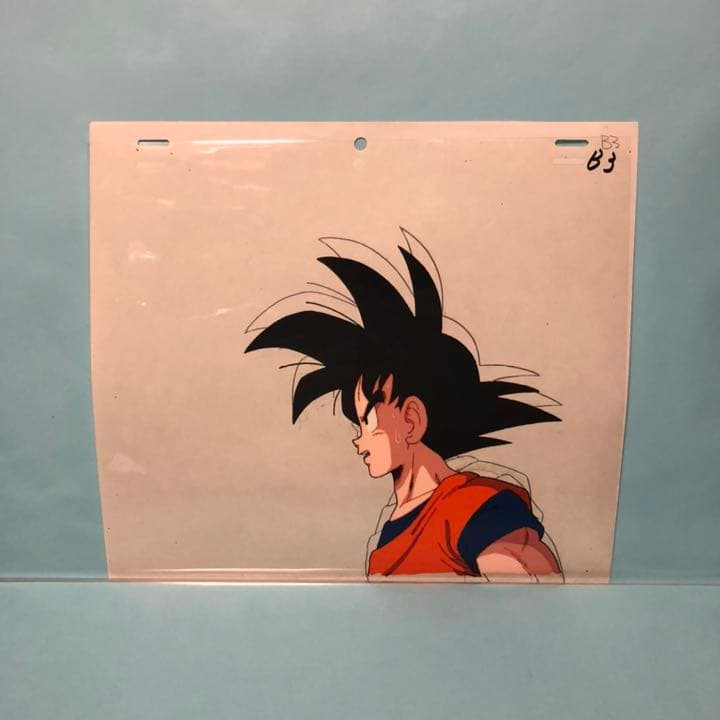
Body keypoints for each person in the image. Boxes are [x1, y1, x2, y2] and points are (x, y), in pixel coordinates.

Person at [245, 230, 562, 580]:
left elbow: (535, 595)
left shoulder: (472, 508)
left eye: (367, 422)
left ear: (411, 419)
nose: (359, 441)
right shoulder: (390, 537)